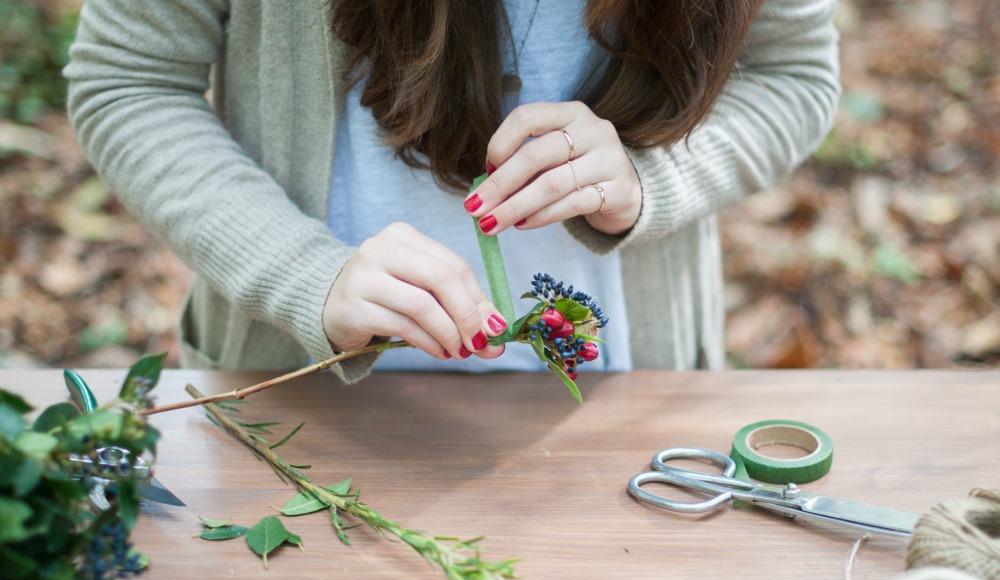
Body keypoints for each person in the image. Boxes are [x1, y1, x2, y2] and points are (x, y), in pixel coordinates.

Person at [65, 0, 839, 383]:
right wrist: (304, 274)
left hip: (623, 402)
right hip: (298, 401)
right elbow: (129, 80)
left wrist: (650, 180)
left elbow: (794, 74)